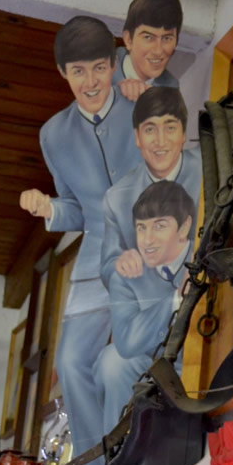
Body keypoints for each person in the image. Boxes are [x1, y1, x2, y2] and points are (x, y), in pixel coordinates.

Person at [18, 16, 143, 465]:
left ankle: (135, 451)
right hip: (96, 259)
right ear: (62, 73)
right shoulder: (53, 134)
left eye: (99, 68)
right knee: (71, 363)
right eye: (78, 71)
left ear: (113, 64)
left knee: (129, 357)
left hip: (154, 248)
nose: (90, 82)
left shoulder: (141, 102)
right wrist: (48, 208)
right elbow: (76, 209)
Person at [96, 181, 195, 433]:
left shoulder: (204, 256)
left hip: (208, 367)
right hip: (157, 374)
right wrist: (175, 300)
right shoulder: (127, 274)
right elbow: (126, 341)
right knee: (112, 361)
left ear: (184, 227)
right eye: (141, 228)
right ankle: (119, 447)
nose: (147, 240)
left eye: (160, 226)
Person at [100, 87, 201, 288]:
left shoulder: (209, 165)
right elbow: (107, 267)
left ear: (183, 133)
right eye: (150, 129)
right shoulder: (116, 199)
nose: (160, 141)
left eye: (170, 127)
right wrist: (121, 263)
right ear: (137, 137)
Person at [113, 0, 182, 101]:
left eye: (167, 38)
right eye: (148, 37)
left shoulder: (171, 89)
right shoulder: (100, 68)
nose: (158, 51)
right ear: (128, 39)